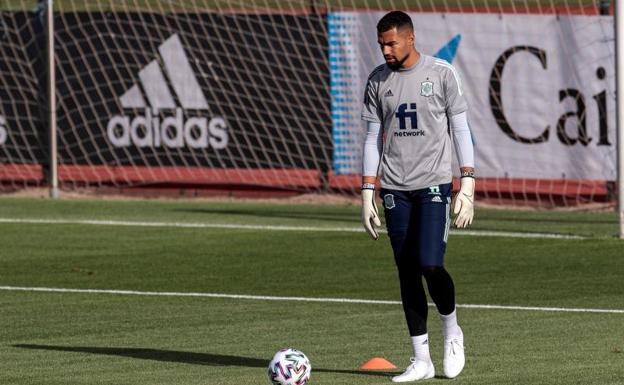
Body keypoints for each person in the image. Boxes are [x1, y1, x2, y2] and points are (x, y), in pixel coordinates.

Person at [360, 10, 475, 382]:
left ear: (410, 38)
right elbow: (371, 138)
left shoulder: (441, 73)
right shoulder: (377, 81)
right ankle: (421, 359)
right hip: (395, 189)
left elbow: (460, 128)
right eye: (382, 44)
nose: (386, 50)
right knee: (406, 272)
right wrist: (366, 191)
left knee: (430, 263)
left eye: (392, 42)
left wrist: (468, 183)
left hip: (434, 186)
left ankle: (452, 330)